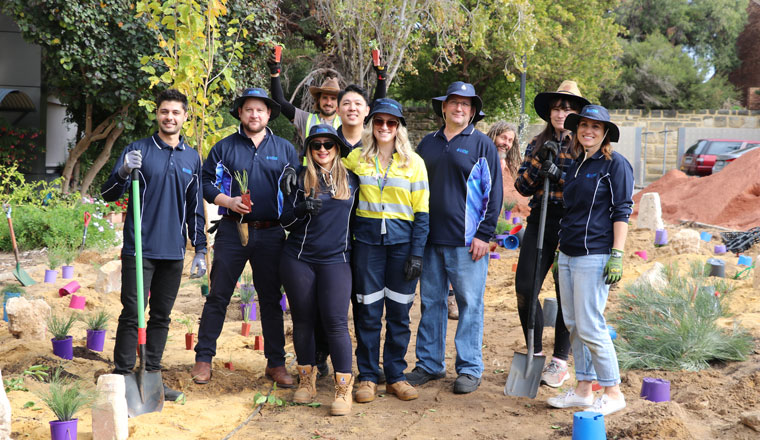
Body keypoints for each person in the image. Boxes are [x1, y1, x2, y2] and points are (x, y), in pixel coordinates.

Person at [102, 89, 207, 401]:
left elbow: (195, 207)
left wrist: (199, 248)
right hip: (140, 249)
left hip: (173, 251)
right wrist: (122, 170)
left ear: (185, 117)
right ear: (157, 115)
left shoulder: (192, 157)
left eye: (176, 112)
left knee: (161, 315)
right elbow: (109, 192)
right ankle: (122, 376)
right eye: (164, 112)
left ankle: (151, 375)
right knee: (134, 313)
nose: (169, 117)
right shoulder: (138, 150)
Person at [191, 88, 298, 389]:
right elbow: (205, 181)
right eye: (249, 109)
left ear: (268, 115)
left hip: (271, 232)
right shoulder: (224, 148)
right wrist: (227, 200)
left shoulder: (286, 149)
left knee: (270, 301)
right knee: (218, 296)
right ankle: (203, 359)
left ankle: (275, 363)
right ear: (240, 113)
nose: (254, 115)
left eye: (260, 110)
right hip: (231, 230)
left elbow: (298, 185)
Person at [408, 82, 502, 394]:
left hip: (468, 244)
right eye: (454, 103)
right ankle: (429, 364)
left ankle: (470, 369)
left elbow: (494, 193)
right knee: (431, 302)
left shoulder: (481, 145)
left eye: (466, 104)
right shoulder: (427, 144)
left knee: (469, 304)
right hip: (430, 240)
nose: (459, 108)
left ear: (473, 111)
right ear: (444, 107)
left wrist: (484, 234)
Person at [548, 104, 633, 416]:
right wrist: (559, 251)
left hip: (595, 254)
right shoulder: (576, 164)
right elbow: (571, 212)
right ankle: (584, 389)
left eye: (596, 127)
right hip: (569, 254)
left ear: (606, 133)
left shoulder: (615, 165)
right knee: (573, 325)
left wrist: (618, 255)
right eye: (584, 125)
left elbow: (621, 210)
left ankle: (612, 390)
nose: (588, 131)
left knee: (591, 324)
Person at [343, 98, 430, 403]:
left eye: (390, 123)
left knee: (399, 312)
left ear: (398, 128)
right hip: (367, 247)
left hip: (402, 247)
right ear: (371, 125)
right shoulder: (356, 158)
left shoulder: (414, 163)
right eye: (378, 122)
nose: (384, 127)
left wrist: (417, 254)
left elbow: (422, 214)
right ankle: (367, 376)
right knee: (367, 312)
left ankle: (394, 376)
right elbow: (323, 165)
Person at [513, 81, 589, 388]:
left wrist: (561, 175)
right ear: (550, 112)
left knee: (564, 292)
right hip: (540, 219)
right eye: (558, 107)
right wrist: (539, 164)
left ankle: (559, 361)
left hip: (569, 223)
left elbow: (586, 188)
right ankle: (535, 350)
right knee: (525, 286)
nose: (562, 113)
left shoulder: (584, 145)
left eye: (569, 108)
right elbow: (521, 187)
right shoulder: (537, 142)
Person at [280, 124, 360, 416]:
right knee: (303, 321)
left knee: (336, 322)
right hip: (299, 258)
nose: (323, 149)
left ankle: (342, 387)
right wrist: (300, 210)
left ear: (337, 148)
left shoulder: (352, 181)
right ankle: (306, 379)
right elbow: (284, 222)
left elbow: (360, 222)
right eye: (317, 145)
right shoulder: (299, 179)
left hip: (336, 259)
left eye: (329, 144)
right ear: (309, 150)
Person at [268, 49, 387, 143]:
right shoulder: (305, 119)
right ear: (318, 99)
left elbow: (376, 107)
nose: (328, 102)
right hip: (311, 173)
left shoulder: (348, 119)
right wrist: (275, 72)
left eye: (333, 98)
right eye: (325, 97)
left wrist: (381, 77)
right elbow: (280, 101)